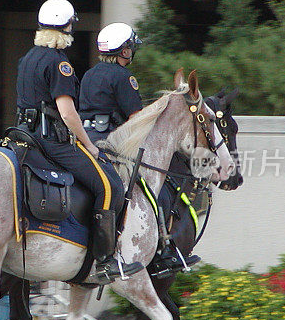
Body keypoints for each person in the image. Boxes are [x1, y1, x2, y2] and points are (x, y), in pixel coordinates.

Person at [16, 0, 143, 285]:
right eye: (72, 23)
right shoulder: (59, 63)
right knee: (111, 186)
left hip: (23, 136)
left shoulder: (27, 58)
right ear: (67, 26)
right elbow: (67, 112)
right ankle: (105, 260)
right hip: (52, 141)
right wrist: (89, 144)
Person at [79, 22, 199, 276]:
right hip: (114, 143)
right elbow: (136, 118)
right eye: (130, 48)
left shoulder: (89, 74)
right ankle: (162, 251)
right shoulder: (124, 77)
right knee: (154, 190)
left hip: (86, 139)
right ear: (123, 51)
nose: (132, 52)